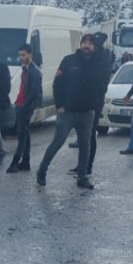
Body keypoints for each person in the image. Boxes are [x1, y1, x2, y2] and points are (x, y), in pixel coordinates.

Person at [36, 34, 98, 190]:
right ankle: (42, 171)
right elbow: (57, 84)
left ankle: (82, 177)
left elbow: (100, 84)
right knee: (57, 142)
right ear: (80, 44)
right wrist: (60, 106)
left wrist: (94, 105)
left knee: (85, 145)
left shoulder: (97, 63)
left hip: (86, 113)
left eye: (90, 43)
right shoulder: (69, 60)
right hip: (67, 112)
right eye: (85, 42)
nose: (87, 45)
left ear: (94, 47)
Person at [69, 32, 112, 174]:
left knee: (90, 134)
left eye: (91, 43)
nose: (87, 45)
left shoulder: (102, 58)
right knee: (84, 135)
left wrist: (96, 98)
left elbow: (103, 82)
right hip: (81, 100)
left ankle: (88, 165)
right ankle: (83, 164)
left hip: (94, 102)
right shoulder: (85, 57)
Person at [7, 44, 42, 173]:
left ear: (30, 54)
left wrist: (24, 106)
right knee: (25, 133)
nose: (21, 57)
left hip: (25, 106)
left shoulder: (34, 71)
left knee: (22, 135)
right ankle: (25, 162)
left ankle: (15, 162)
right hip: (21, 104)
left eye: (23, 55)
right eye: (19, 55)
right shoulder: (27, 69)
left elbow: (33, 92)